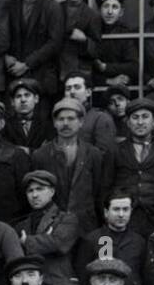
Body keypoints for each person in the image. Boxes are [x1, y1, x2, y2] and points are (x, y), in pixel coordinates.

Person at [31, 98, 110, 234]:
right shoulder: (41, 155)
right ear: (55, 123)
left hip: (86, 227)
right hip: (52, 228)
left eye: (71, 118)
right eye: (61, 119)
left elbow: (99, 192)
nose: (65, 123)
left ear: (81, 122)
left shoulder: (93, 154)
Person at [4, 0, 65, 111]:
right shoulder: (9, 7)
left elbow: (54, 43)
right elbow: (1, 37)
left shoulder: (52, 7)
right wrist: (6, 57)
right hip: (14, 76)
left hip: (43, 77)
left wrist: (27, 64)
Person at [110, 97, 154, 235]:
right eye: (135, 117)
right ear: (128, 122)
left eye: (145, 117)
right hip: (125, 220)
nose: (140, 122)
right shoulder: (114, 151)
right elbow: (105, 188)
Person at [17, 171, 82, 285]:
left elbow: (58, 244)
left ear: (52, 192)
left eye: (40, 189)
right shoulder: (22, 224)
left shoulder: (67, 219)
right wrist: (44, 241)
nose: (34, 195)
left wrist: (26, 241)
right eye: (30, 191)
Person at [75, 192, 145, 285]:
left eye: (125, 209)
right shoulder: (92, 239)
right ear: (106, 212)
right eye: (116, 209)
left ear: (131, 212)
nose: (121, 214)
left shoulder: (139, 241)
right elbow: (82, 275)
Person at [60, 70, 118, 155]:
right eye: (68, 89)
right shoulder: (60, 120)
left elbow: (104, 155)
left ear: (88, 92)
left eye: (77, 87)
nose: (72, 92)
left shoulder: (100, 118)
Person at [92, 0, 138, 89]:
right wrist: (108, 81)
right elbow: (87, 69)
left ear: (121, 12)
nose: (110, 11)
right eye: (106, 6)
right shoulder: (92, 32)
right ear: (99, 10)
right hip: (96, 90)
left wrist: (105, 67)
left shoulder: (126, 34)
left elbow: (134, 67)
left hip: (123, 88)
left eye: (115, 7)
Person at [5, 76, 52, 152]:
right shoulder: (6, 126)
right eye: (18, 96)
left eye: (27, 95)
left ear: (36, 99)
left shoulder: (47, 125)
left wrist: (28, 151)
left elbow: (49, 152)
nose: (23, 100)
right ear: (12, 102)